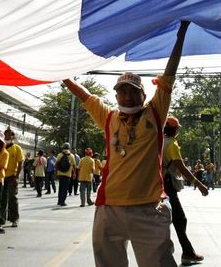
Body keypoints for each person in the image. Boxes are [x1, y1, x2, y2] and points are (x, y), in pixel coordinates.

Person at [62, 20, 188, 267]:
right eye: (123, 91)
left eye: (133, 91)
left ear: (143, 95)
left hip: (149, 210)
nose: (128, 95)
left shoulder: (155, 112)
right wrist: (60, 75)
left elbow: (170, 72)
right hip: (109, 209)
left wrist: (181, 33)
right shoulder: (108, 117)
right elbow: (84, 94)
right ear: (116, 95)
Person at [162, 116, 207, 266]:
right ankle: (187, 253)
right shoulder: (172, 144)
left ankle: (185, 251)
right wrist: (198, 184)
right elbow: (181, 167)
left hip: (157, 184)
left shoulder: (158, 141)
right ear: (175, 130)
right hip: (168, 185)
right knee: (180, 219)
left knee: (168, 219)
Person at [0, 128, 24, 228]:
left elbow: (20, 163)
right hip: (1, 176)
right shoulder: (2, 147)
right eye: (5, 134)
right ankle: (1, 218)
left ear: (13, 136)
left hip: (12, 177)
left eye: (9, 134)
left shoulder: (17, 148)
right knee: (2, 199)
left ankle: (14, 219)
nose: (7, 136)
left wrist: (17, 176)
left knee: (12, 198)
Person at [55, 142, 75, 206]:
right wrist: (74, 173)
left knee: (60, 188)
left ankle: (59, 201)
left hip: (60, 174)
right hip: (68, 174)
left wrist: (56, 172)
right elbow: (74, 166)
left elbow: (56, 165)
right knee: (65, 188)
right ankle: (62, 201)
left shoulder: (59, 155)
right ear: (69, 148)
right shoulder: (72, 156)